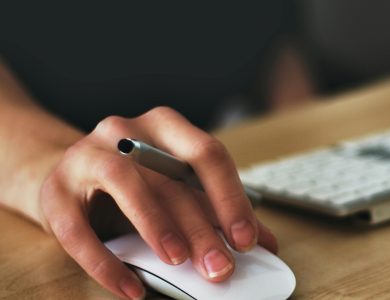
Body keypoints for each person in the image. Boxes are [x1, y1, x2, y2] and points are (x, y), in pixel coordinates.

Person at [0, 2, 313, 299]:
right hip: (66, 153)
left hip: (203, 175)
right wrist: (54, 164)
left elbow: (279, 45)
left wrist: (309, 159)